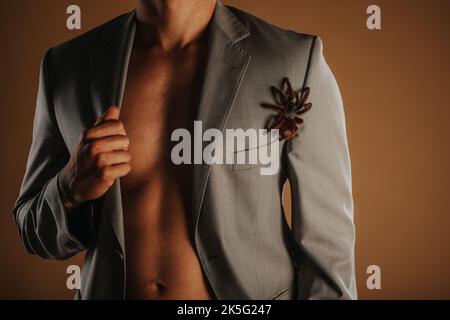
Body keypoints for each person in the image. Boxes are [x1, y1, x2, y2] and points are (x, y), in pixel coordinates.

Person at [13, 0, 357, 300]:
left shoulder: (292, 61)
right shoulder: (66, 66)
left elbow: (328, 256)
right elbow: (32, 231)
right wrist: (69, 190)